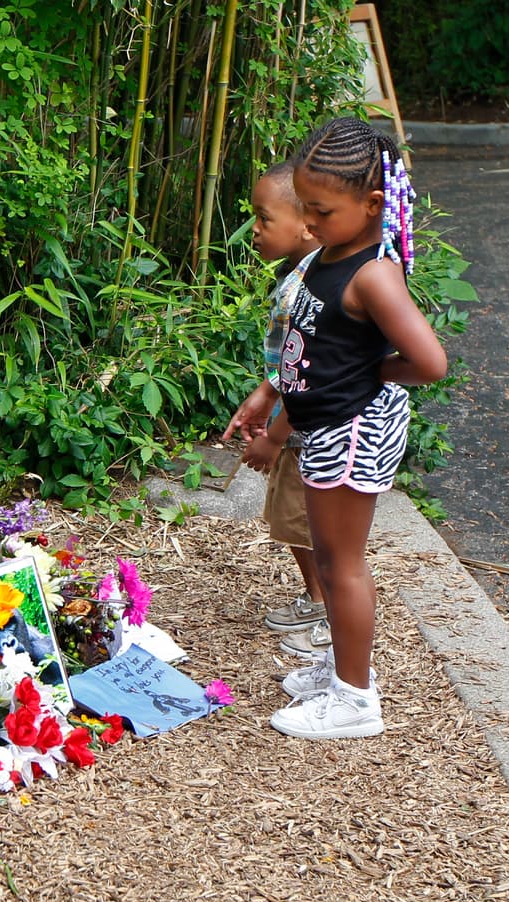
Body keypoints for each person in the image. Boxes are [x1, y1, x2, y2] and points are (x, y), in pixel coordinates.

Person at [264, 117, 447, 740]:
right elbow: (310, 348)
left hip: (351, 434)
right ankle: (340, 665)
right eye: (306, 209)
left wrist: (372, 372)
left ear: (372, 205)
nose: (308, 223)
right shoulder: (332, 252)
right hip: (328, 426)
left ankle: (353, 698)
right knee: (331, 553)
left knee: (342, 564)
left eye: (320, 211)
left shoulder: (373, 274)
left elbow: (430, 361)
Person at [223, 161, 327, 654]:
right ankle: (318, 598)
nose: (255, 230)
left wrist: (276, 434)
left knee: (308, 524)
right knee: (292, 521)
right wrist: (266, 392)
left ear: (306, 223)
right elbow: (290, 360)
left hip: (311, 433)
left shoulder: (314, 288)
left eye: (263, 218)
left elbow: (311, 373)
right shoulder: (300, 276)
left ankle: (328, 615)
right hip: (298, 425)